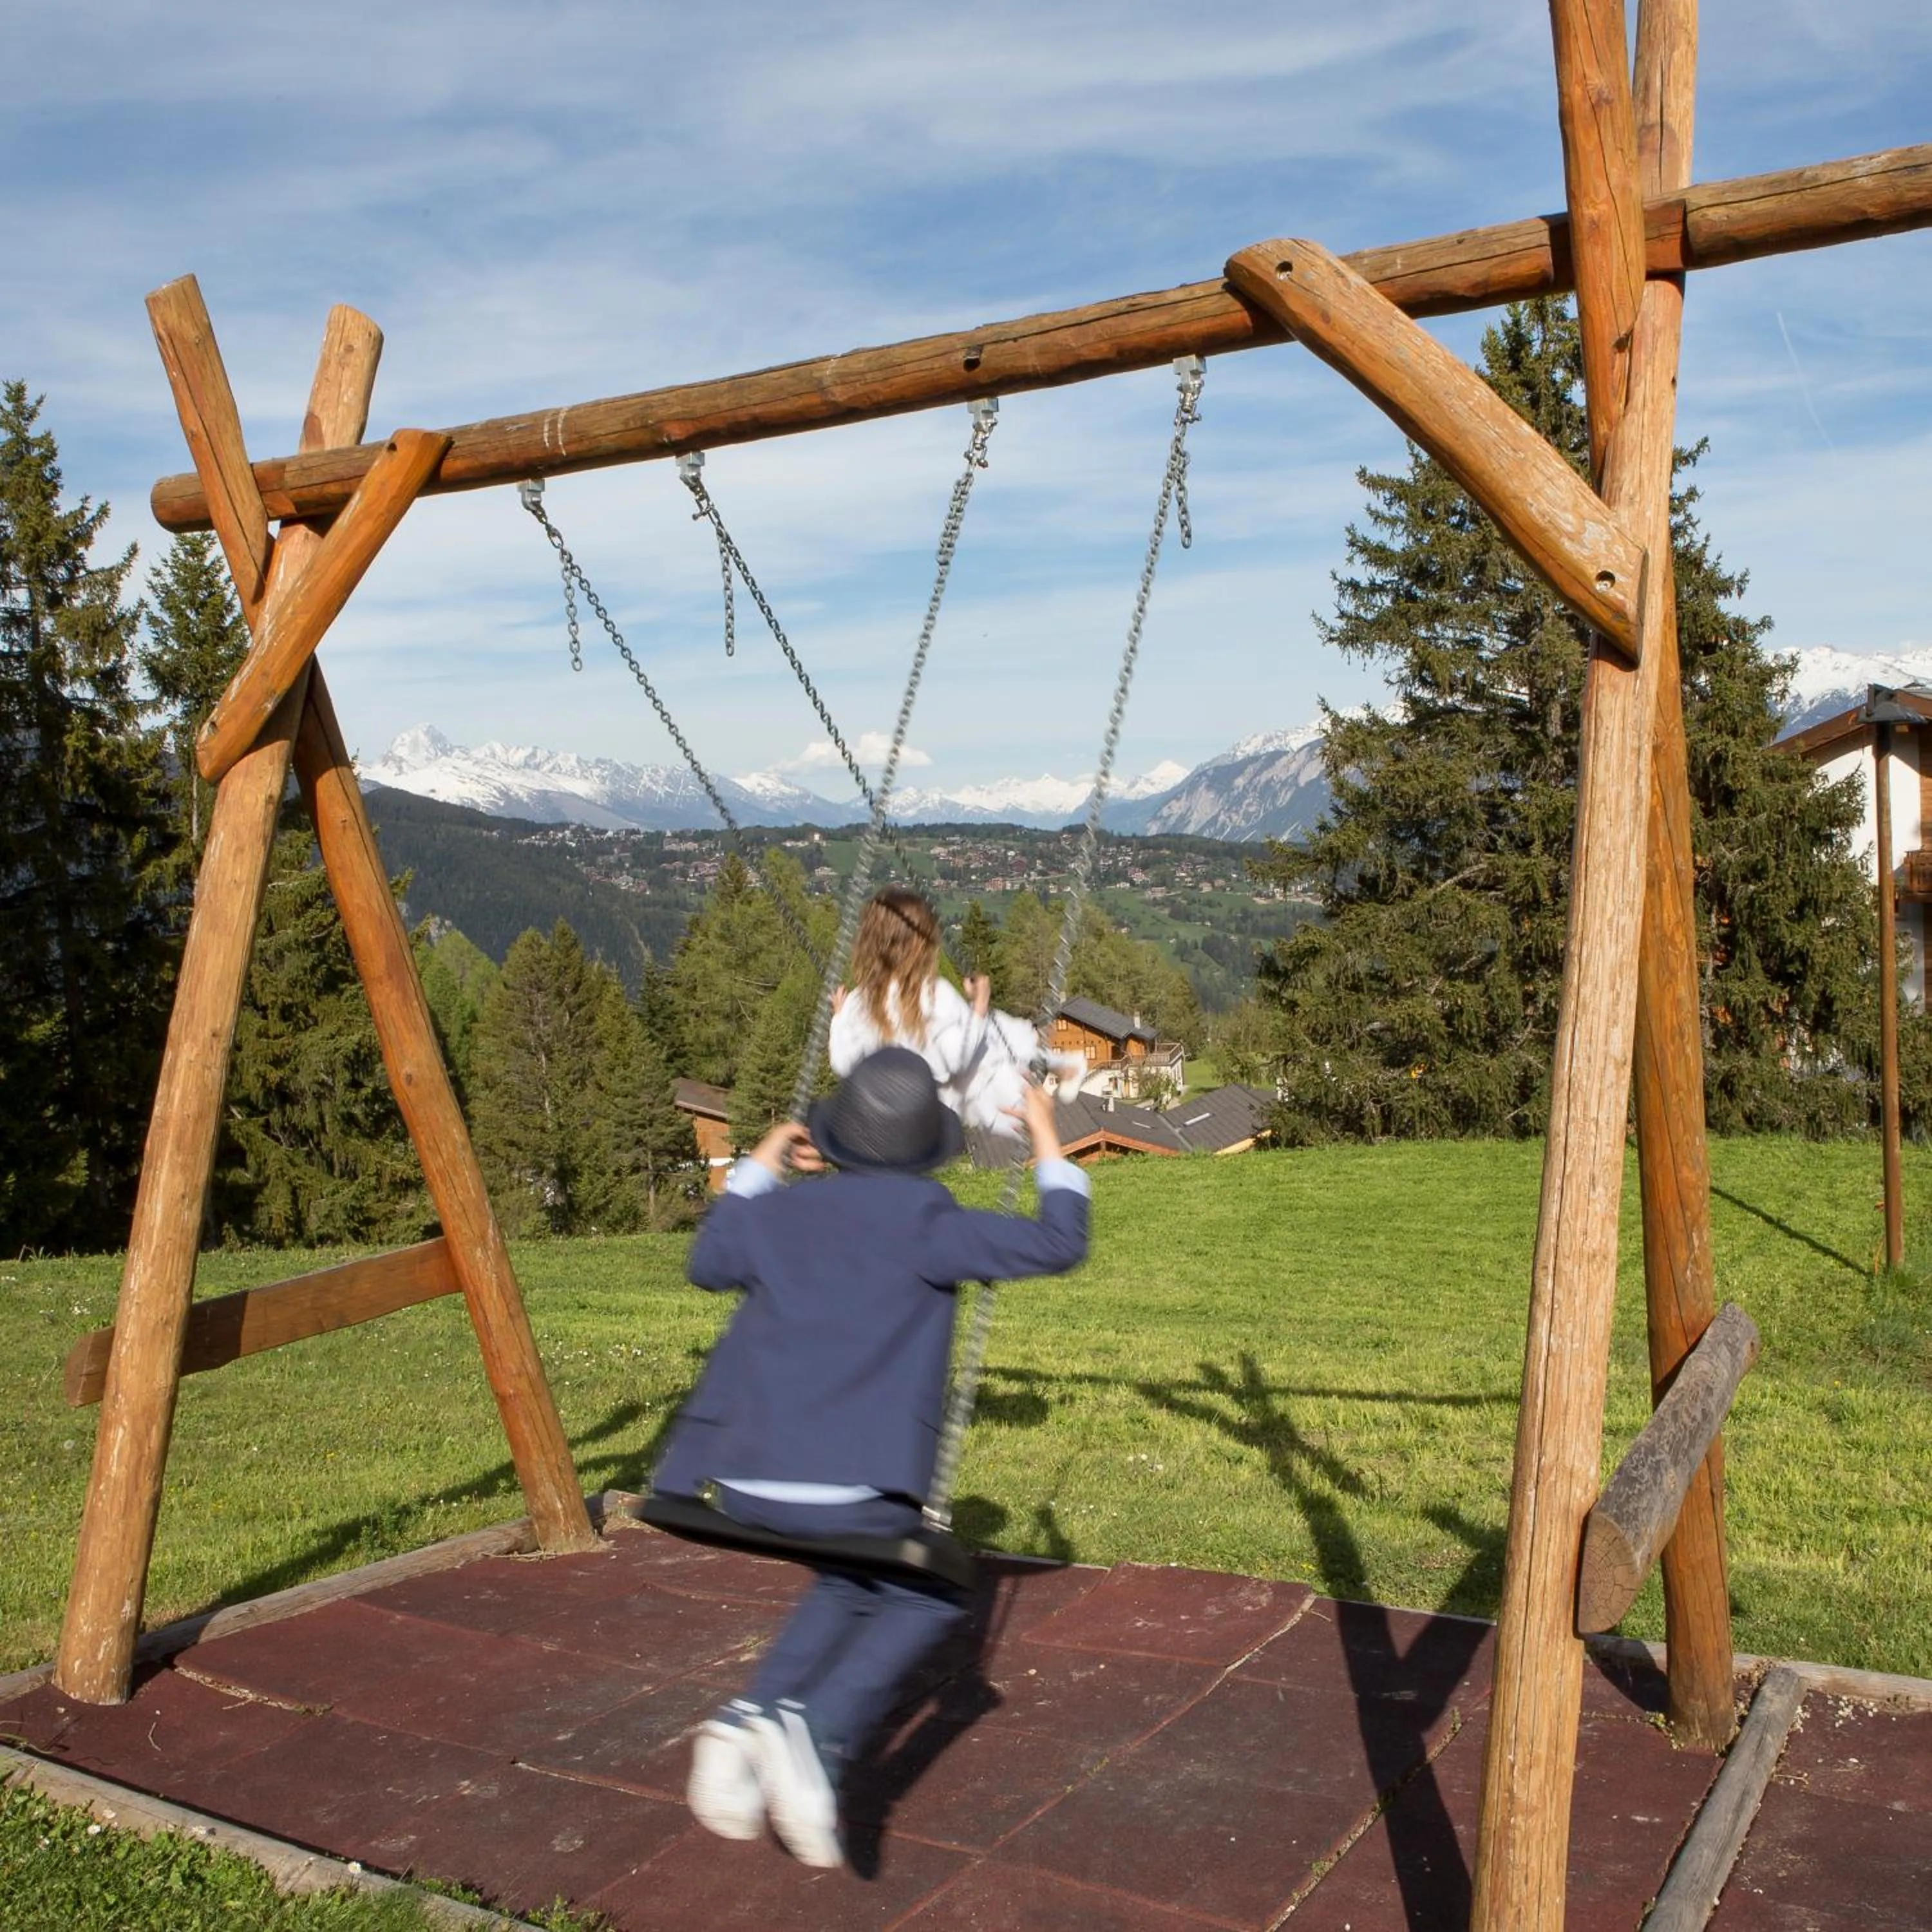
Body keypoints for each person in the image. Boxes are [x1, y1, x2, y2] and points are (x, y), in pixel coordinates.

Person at [652, 1046, 1089, 1868]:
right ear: (928, 1151)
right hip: (850, 1492)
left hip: (733, 1483)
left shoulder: (779, 1215)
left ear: (832, 1143)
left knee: (853, 1578)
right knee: (930, 1595)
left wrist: (758, 1164)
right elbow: (1061, 1242)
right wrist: (1043, 1137)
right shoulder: (931, 1224)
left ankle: (747, 1720)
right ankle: (814, 1736)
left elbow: (707, 1263)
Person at [828, 887, 1086, 1139]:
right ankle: (1062, 1066)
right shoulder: (933, 995)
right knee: (992, 1040)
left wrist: (839, 1019)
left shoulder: (857, 1003)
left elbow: (842, 1064)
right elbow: (958, 1059)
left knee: (994, 1038)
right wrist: (980, 1007)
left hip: (910, 1112)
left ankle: (1062, 1065)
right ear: (922, 945)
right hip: (969, 1088)